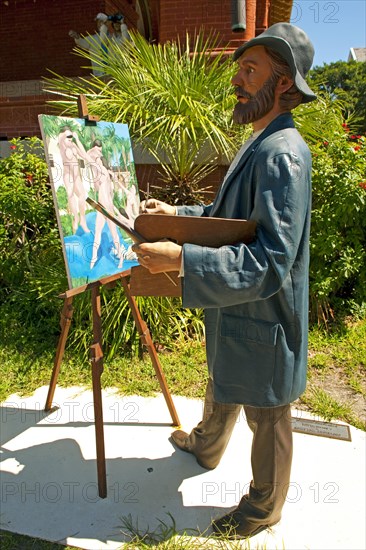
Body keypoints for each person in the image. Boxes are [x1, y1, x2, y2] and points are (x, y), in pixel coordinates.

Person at [132, 22, 317, 539]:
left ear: (283, 83)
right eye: (240, 68)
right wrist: (175, 213)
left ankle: (262, 509)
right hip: (237, 309)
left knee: (268, 412)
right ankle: (206, 446)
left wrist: (183, 259)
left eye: (250, 69)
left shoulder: (282, 154)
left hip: (265, 312)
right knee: (224, 375)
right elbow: (226, 217)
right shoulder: (259, 141)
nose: (238, 79)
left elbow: (269, 261)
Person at [58, 126, 90, 234]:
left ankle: (82, 219)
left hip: (77, 176)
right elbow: (60, 137)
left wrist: (77, 139)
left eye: (70, 136)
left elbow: (84, 155)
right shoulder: (62, 145)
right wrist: (66, 134)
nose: (70, 138)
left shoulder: (73, 145)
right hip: (68, 175)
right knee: (70, 193)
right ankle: (75, 218)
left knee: (82, 196)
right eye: (68, 136)